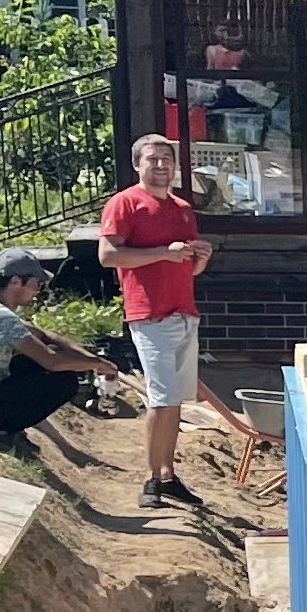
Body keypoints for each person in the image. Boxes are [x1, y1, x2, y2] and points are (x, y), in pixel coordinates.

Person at [98, 133, 215, 507]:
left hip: (184, 313)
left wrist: (201, 258)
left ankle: (167, 474)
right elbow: (108, 256)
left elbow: (188, 267)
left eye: (167, 159)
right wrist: (164, 252)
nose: (162, 165)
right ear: (137, 164)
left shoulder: (182, 208)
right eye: (153, 159)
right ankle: (150, 480)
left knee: (175, 401)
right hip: (149, 314)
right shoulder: (124, 203)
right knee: (161, 399)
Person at [0, 249, 123, 454]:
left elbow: (45, 336)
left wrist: (95, 360)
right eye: (36, 282)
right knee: (63, 380)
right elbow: (52, 361)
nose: (38, 289)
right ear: (16, 281)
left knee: (31, 362)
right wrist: (97, 365)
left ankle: (2, 426)